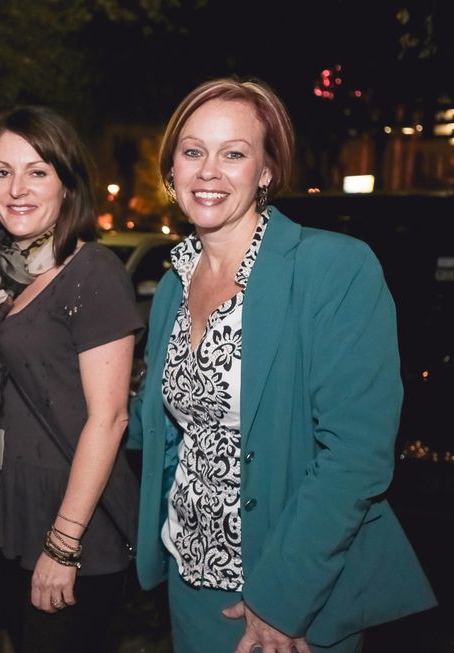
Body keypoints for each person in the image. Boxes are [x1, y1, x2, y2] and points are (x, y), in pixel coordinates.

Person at [128, 77, 437, 653]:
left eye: (234, 153)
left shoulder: (332, 269)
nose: (209, 171)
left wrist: (283, 598)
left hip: (291, 593)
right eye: (193, 152)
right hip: (189, 576)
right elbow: (172, 432)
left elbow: (355, 453)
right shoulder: (176, 281)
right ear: (172, 169)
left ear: (266, 170)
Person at [0, 105, 143, 653]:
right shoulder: (4, 275)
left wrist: (64, 545)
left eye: (37, 171)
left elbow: (110, 418)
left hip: (76, 524)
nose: (16, 188)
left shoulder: (92, 274)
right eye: (3, 172)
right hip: (14, 511)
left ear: (67, 185)